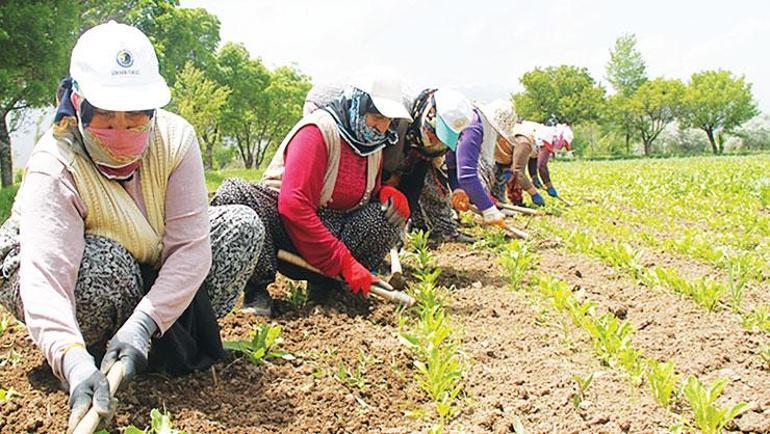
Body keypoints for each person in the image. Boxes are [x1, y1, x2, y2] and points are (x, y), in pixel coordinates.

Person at [0, 21, 263, 432]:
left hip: (145, 256)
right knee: (105, 266)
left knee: (240, 227)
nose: (121, 135)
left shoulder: (175, 140)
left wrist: (143, 324)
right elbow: (47, 279)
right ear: (77, 103)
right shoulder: (56, 165)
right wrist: (71, 360)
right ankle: (92, 351)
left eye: (135, 121)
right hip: (60, 268)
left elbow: (191, 249)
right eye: (106, 120)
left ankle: (143, 338)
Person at [211, 72, 413, 315]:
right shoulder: (317, 132)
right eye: (377, 116)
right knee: (235, 192)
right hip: (286, 232)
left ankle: (328, 289)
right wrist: (343, 261)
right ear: (356, 105)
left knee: (387, 219)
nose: (383, 126)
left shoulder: (372, 143)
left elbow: (362, 190)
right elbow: (293, 206)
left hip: (335, 231)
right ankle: (257, 290)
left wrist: (385, 192)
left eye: (389, 120)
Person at [305, 84, 474, 242]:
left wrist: (397, 226)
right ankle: (326, 234)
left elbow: (416, 178)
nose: (435, 140)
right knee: (347, 181)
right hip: (327, 106)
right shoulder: (397, 116)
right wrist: (387, 180)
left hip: (375, 128)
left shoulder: (429, 141)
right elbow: (382, 167)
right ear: (429, 115)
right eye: (435, 133)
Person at [446, 99, 539, 229]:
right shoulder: (474, 127)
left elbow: (452, 162)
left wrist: (457, 188)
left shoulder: (474, 122)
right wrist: (488, 209)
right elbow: (466, 174)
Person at [504, 122, 573, 206]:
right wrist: (534, 193)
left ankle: (515, 201)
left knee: (514, 175)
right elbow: (518, 171)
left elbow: (534, 158)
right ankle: (501, 202)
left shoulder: (539, 139)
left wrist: (534, 176)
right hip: (502, 154)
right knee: (511, 174)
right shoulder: (525, 142)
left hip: (511, 151)